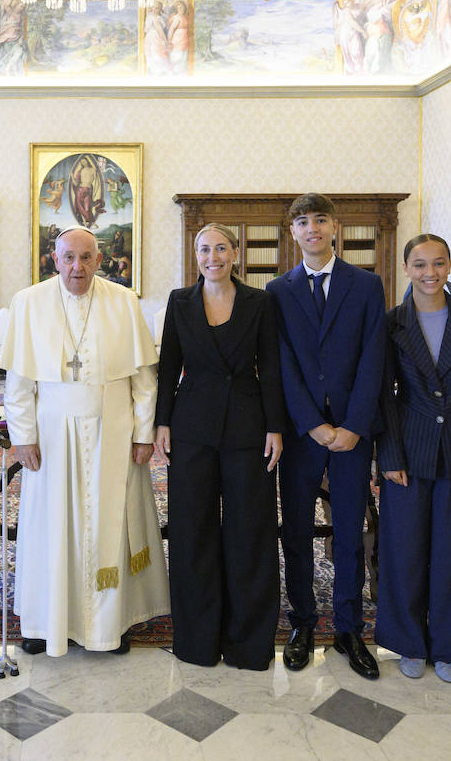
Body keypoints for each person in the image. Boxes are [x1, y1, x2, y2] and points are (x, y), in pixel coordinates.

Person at [0, 226, 167, 656]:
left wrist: (143, 433)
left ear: (100, 259)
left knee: (111, 524)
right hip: (52, 438)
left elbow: (144, 381)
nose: (78, 267)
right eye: (69, 257)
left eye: (87, 258)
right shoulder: (29, 302)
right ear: (53, 259)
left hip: (113, 434)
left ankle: (109, 626)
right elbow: (19, 384)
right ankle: (42, 622)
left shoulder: (124, 302)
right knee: (50, 527)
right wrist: (23, 437)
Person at [154, 223, 286, 669]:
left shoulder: (259, 302)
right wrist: (162, 422)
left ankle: (249, 644)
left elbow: (270, 366)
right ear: (196, 255)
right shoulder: (179, 301)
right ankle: (197, 641)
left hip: (249, 428)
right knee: (193, 533)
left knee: (251, 533)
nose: (213, 256)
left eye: (221, 248)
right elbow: (169, 365)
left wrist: (275, 426)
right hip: (191, 428)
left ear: (235, 254)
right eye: (204, 249)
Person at [266, 193, 386, 678]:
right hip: (302, 433)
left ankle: (349, 628)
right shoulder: (277, 290)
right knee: (295, 532)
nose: (311, 228)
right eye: (302, 221)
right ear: (291, 231)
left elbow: (373, 357)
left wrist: (354, 425)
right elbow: (281, 364)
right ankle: (302, 623)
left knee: (350, 533)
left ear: (335, 226)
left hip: (354, 433)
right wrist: (313, 424)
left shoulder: (367, 285)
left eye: (320, 219)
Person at [375, 234, 451, 684]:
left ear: (450, 266)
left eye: (439, 263)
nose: (430, 273)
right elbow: (384, 395)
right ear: (406, 269)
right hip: (407, 448)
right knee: (403, 551)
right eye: (420, 264)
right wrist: (387, 454)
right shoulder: (392, 323)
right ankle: (408, 642)